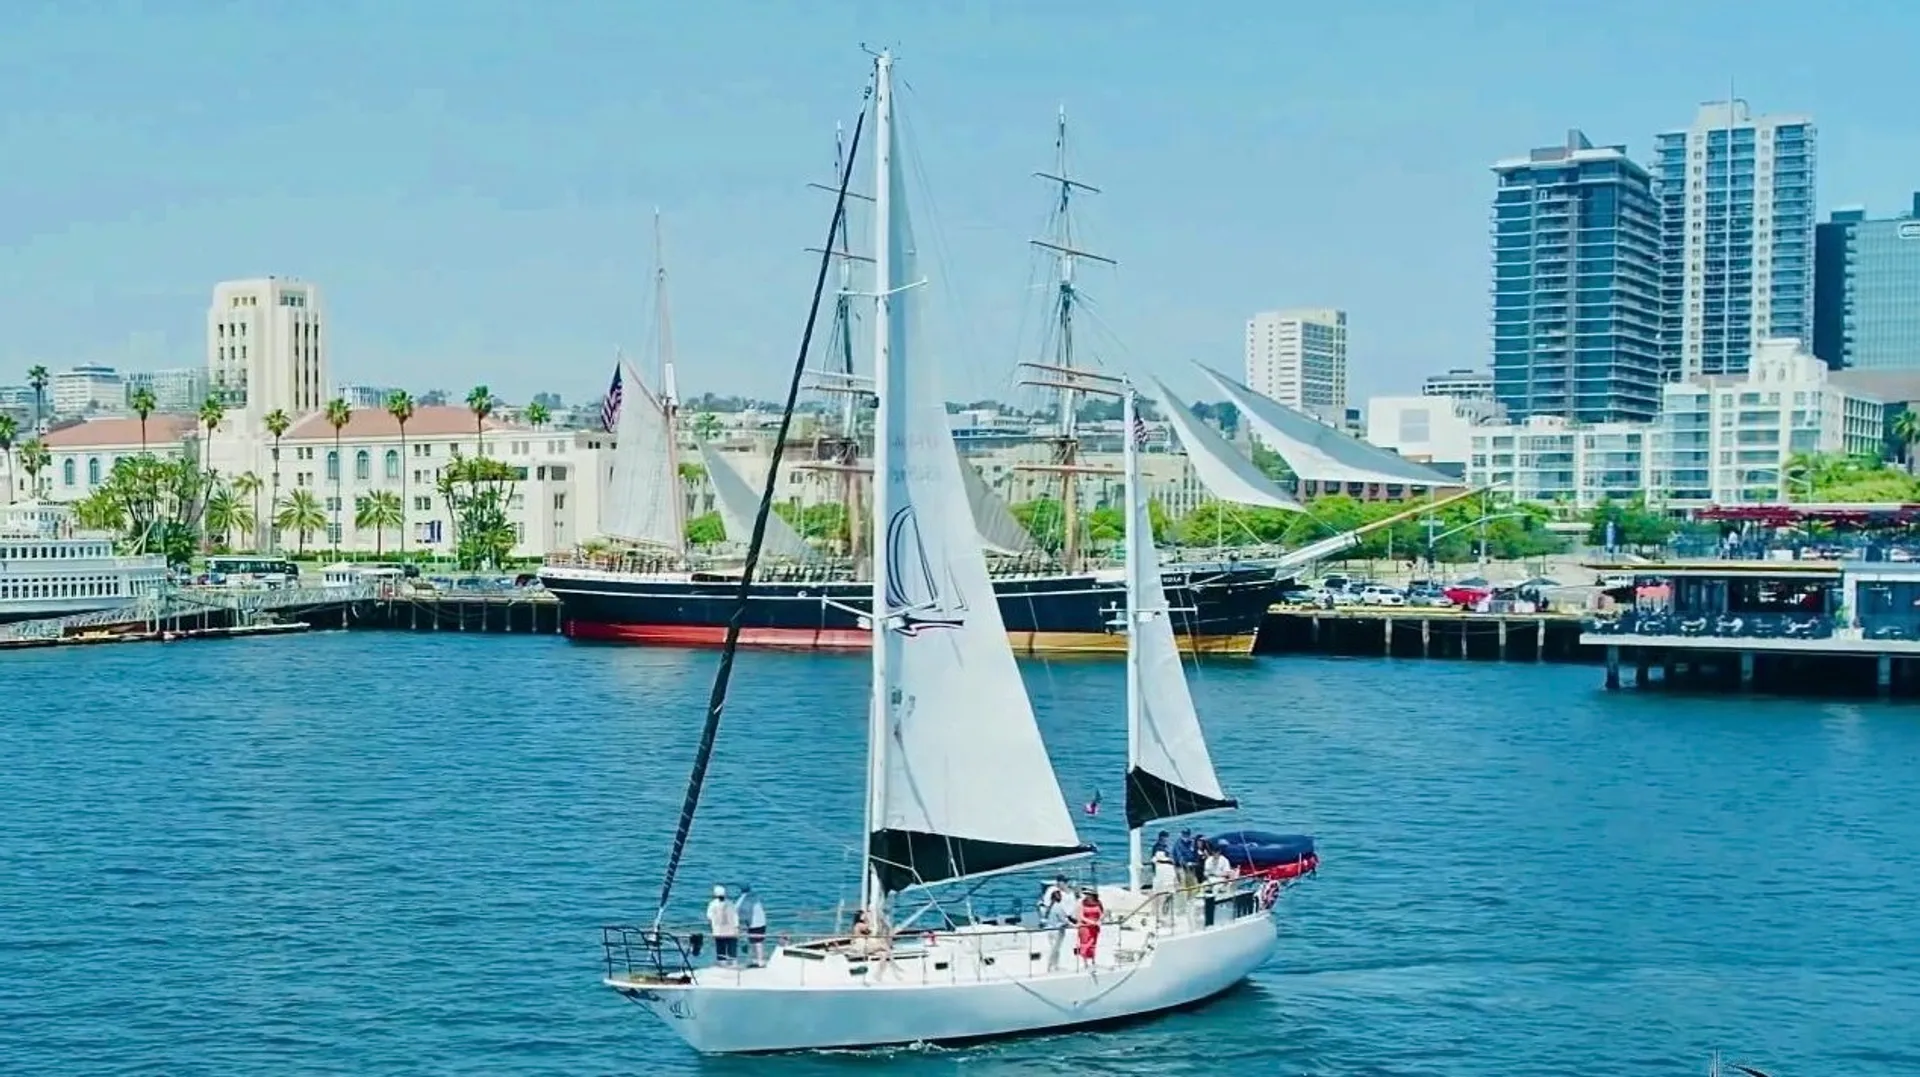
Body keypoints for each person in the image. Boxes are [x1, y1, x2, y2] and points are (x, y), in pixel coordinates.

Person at [706, 884, 740, 966]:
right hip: (731, 930)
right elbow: (735, 916)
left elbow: (709, 916)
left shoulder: (712, 904)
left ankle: (722, 964)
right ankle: (733, 964)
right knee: (732, 948)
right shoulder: (730, 903)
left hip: (719, 930)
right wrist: (737, 927)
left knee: (720, 948)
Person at [736, 883, 769, 967]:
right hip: (762, 922)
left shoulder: (741, 900)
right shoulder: (755, 897)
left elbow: (737, 911)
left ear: (741, 890)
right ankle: (760, 960)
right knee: (759, 942)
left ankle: (756, 960)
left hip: (752, 924)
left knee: (754, 942)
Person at [1040, 886, 1072, 971]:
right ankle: (1050, 965)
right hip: (1057, 932)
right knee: (1055, 950)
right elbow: (1063, 919)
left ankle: (1055, 965)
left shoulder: (1048, 907)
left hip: (1050, 931)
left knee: (1054, 949)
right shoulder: (1058, 907)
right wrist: (1069, 923)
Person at [1073, 887, 1104, 966]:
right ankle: (1085, 963)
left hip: (1095, 926)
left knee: (1093, 944)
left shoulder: (1098, 903)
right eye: (1086, 894)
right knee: (1085, 944)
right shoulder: (1082, 903)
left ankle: (1093, 961)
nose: (1087, 896)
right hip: (1085, 926)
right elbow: (1081, 916)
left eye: (1088, 894)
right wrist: (1091, 922)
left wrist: (1099, 921)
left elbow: (1102, 913)